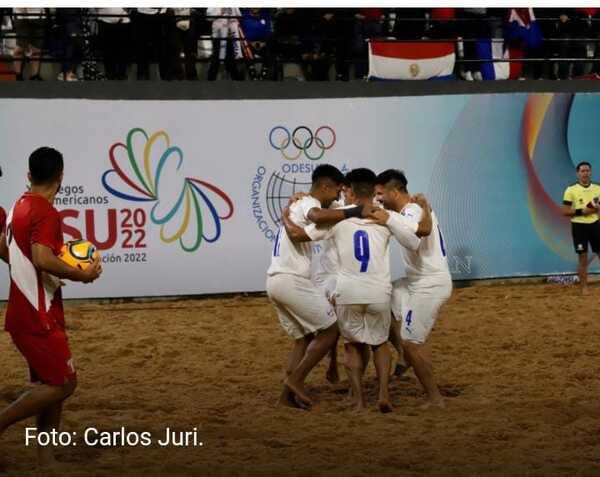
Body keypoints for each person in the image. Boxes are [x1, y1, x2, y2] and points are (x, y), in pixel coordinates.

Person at [0, 147, 101, 467]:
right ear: (61, 177)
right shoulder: (45, 212)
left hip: (27, 310)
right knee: (63, 384)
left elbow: (10, 251)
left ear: (29, 176)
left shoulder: (18, 206)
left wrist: (43, 274)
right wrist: (79, 274)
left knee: (48, 386)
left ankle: (46, 460)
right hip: (37, 315)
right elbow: (43, 257)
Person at [266, 164, 370, 409]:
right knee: (332, 329)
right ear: (325, 186)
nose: (337, 196)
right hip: (291, 279)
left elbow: (329, 212)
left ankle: (285, 399)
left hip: (275, 281)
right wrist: (355, 211)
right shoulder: (307, 204)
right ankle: (296, 381)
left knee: (302, 339)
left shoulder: (305, 203)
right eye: (336, 191)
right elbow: (315, 217)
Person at [372, 169, 452, 408]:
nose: (378, 199)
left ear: (394, 192)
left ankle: (435, 398)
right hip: (415, 281)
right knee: (380, 300)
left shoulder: (412, 211)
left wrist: (388, 219)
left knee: (412, 342)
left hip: (429, 284)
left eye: (380, 194)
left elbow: (415, 239)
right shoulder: (410, 210)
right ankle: (404, 357)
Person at [562, 161, 600, 295]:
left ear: (591, 172)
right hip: (579, 226)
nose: (585, 173)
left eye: (588, 170)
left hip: (596, 225)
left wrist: (595, 209)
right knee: (583, 257)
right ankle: (584, 287)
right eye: (583, 171)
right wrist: (582, 212)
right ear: (578, 173)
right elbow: (565, 211)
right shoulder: (571, 190)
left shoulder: (597, 188)